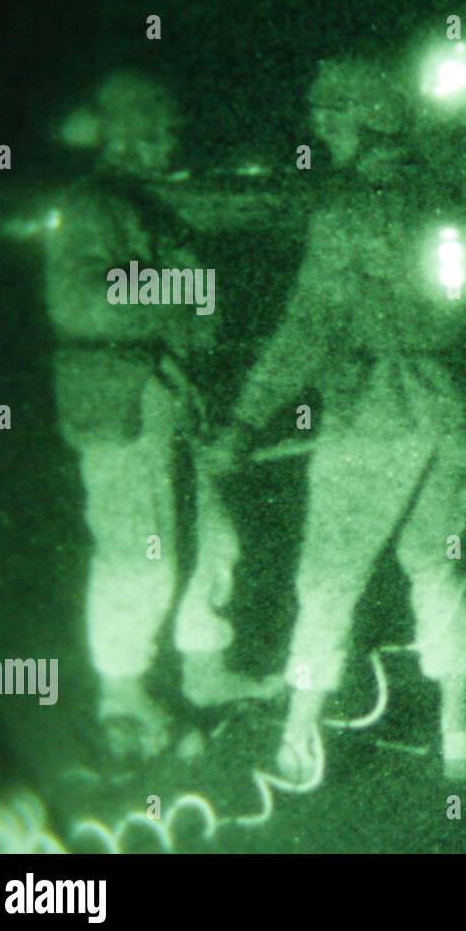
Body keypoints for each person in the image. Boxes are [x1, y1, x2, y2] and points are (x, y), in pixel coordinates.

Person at [211, 55, 466, 782]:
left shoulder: (345, 213)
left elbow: (306, 328)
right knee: (438, 567)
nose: (321, 127)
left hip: (377, 404)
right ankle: (457, 732)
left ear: (367, 121)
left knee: (330, 575)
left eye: (333, 113)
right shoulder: (450, 200)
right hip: (451, 401)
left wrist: (244, 422)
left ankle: (298, 741)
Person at [48, 71, 278, 759]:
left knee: (214, 541)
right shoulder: (91, 205)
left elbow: (196, 304)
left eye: (170, 129)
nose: (167, 141)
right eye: (154, 128)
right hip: (120, 394)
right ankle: (123, 694)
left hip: (169, 391)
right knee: (139, 552)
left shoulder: (151, 203)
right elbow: (81, 303)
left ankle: (206, 671)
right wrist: (189, 288)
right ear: (120, 132)